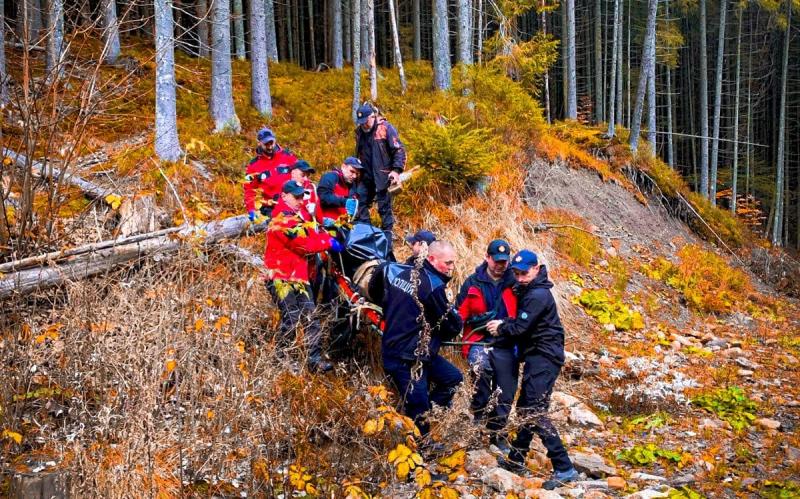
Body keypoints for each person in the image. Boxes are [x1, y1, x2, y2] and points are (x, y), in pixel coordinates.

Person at [486, 250, 578, 490]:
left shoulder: (538, 294)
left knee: (534, 410)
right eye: (516, 274)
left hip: (545, 356)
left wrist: (501, 326)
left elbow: (521, 327)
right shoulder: (529, 288)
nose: (520, 278)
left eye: (524, 273)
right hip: (538, 355)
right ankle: (517, 458)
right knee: (527, 407)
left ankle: (564, 466)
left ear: (537, 269)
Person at [368, 240, 463, 436]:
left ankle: (427, 411)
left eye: (453, 263)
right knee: (419, 411)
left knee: (453, 378)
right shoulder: (432, 286)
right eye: (448, 263)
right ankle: (422, 448)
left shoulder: (400, 272)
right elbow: (452, 325)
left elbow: (377, 288)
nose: (451, 268)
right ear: (432, 259)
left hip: (413, 350)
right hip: (406, 358)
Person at [264, 180, 344, 373]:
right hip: (281, 278)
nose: (300, 200)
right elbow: (304, 245)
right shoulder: (280, 220)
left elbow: (312, 237)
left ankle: (314, 361)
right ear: (284, 196)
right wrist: (328, 242)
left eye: (302, 196)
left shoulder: (297, 218)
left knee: (310, 318)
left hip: (298, 277)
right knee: (291, 318)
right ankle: (281, 359)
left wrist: (328, 237)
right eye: (296, 197)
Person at [456, 239, 517, 452]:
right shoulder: (472, 282)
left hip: (507, 343)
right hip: (477, 340)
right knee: (480, 369)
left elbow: (524, 317)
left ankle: (497, 433)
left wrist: (504, 325)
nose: (501, 265)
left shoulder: (515, 283)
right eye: (496, 261)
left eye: (504, 261)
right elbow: (459, 313)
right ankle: (478, 417)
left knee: (506, 389)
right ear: (487, 258)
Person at [354, 103, 407, 249]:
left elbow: (399, 150)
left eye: (366, 120)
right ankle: (368, 235)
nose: (364, 124)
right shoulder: (359, 132)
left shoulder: (385, 128)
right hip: (365, 176)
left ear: (372, 116)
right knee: (360, 202)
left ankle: (387, 243)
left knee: (384, 209)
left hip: (383, 176)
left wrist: (396, 170)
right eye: (361, 122)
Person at [244, 128, 297, 221]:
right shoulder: (252, 166)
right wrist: (251, 209)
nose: (269, 147)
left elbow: (300, 177)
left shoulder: (288, 157)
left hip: (292, 203)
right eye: (266, 144)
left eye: (271, 143)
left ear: (275, 140)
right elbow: (249, 189)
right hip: (270, 209)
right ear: (259, 143)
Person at [318, 156, 362, 223]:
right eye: (352, 172)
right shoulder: (330, 177)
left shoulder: (352, 184)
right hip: (327, 221)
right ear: (343, 167)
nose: (355, 176)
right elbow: (323, 197)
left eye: (357, 174)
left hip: (344, 222)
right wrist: (344, 201)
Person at [290, 160, 322, 225]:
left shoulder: (311, 187)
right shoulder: (285, 190)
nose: (306, 179)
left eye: (307, 176)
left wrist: (315, 209)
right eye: (303, 175)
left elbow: (319, 216)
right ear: (293, 173)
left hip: (311, 225)